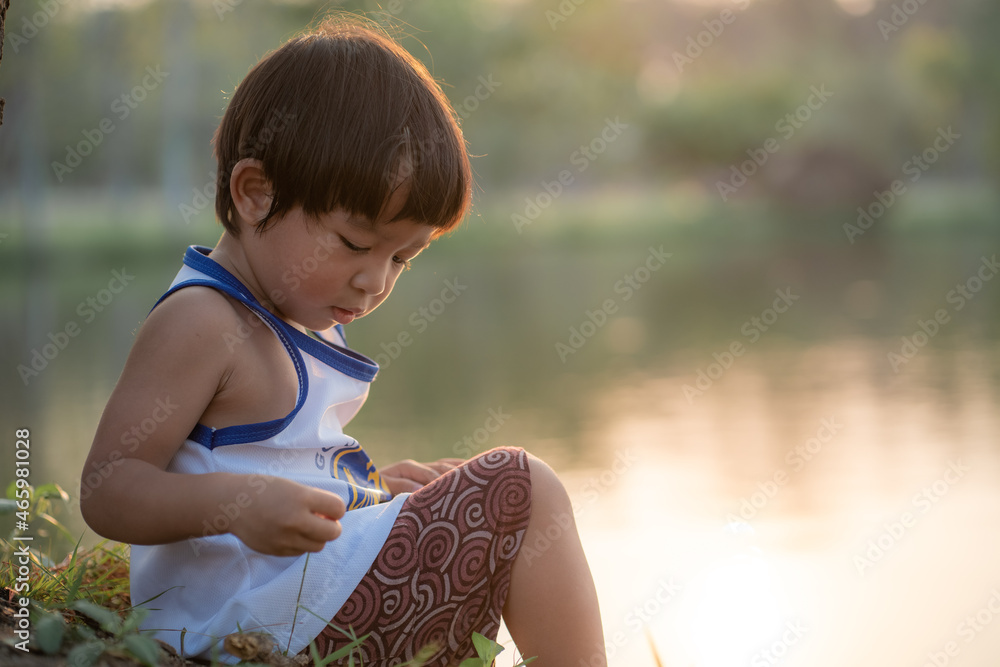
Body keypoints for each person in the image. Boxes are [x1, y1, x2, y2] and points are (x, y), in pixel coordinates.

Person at [79, 16, 606, 667]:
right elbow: (108, 487)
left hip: (298, 604)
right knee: (524, 486)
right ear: (254, 192)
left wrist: (375, 497)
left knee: (473, 495)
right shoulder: (205, 320)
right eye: (356, 243)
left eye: (402, 258)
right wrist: (235, 507)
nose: (374, 279)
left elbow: (282, 467)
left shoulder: (297, 315)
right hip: (247, 621)